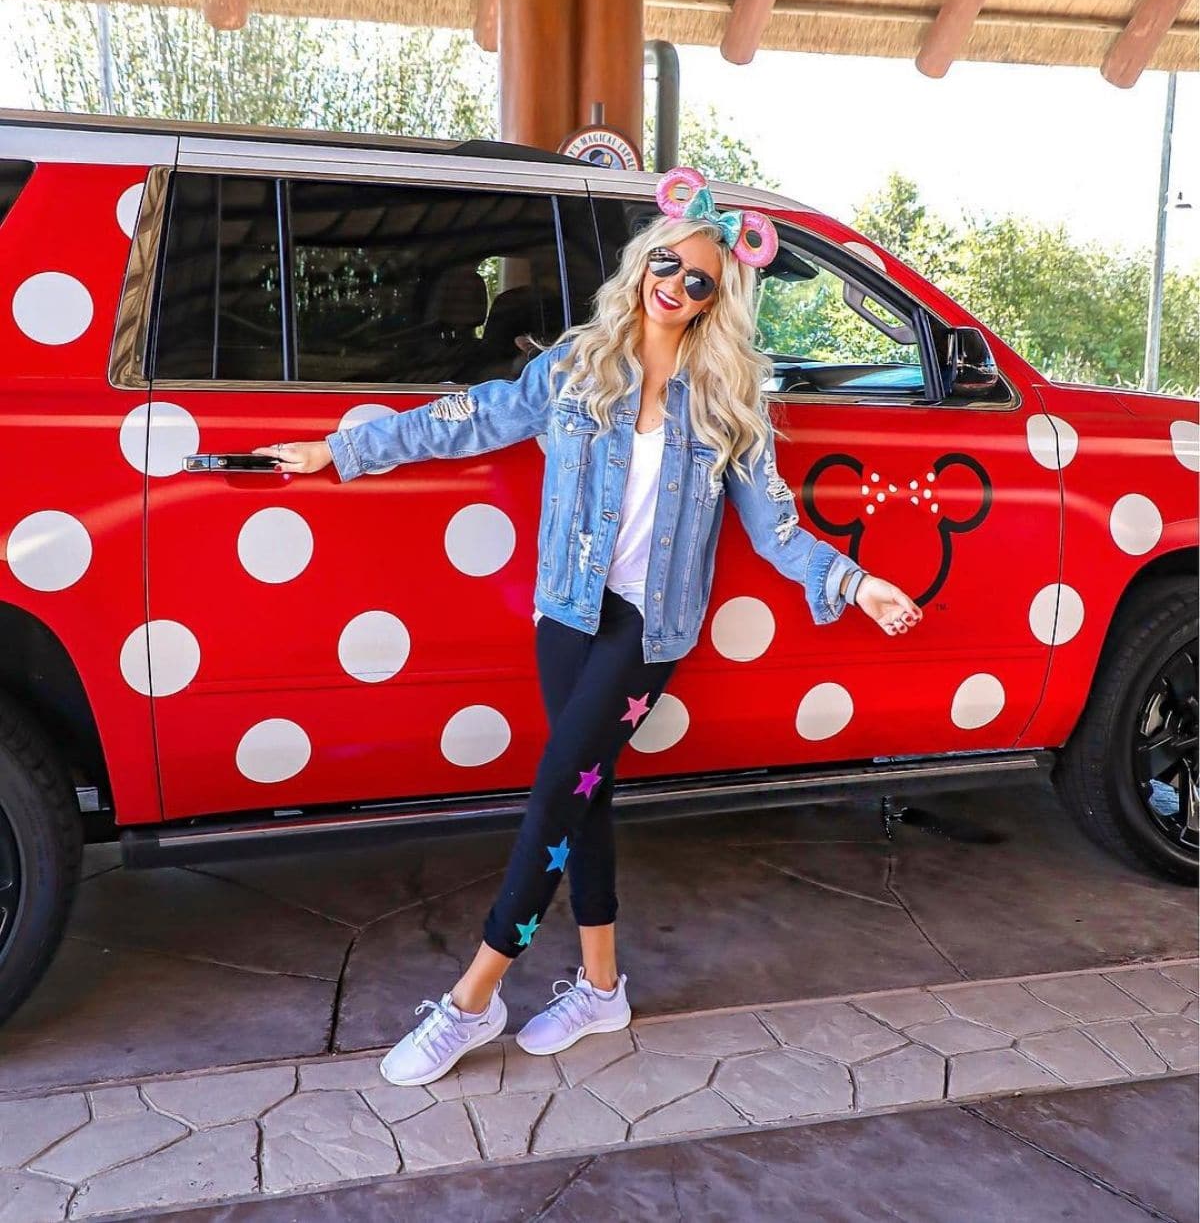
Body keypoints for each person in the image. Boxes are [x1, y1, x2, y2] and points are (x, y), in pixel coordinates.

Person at [253, 167, 922, 1088]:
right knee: (585, 794)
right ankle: (603, 988)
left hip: (646, 636)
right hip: (565, 614)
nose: (676, 286)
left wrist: (855, 582)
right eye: (667, 265)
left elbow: (775, 526)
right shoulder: (576, 363)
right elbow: (473, 418)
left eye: (699, 282)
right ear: (643, 262)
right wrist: (346, 447)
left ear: (717, 301)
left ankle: (473, 997)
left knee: (551, 801)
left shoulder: (729, 403)